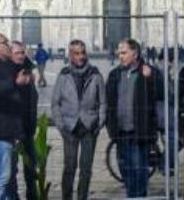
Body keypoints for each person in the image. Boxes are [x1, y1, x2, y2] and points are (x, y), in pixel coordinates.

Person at [105, 38, 161, 198]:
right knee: (126, 173)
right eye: (119, 53)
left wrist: (151, 78)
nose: (120, 56)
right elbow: (109, 102)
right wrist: (111, 126)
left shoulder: (148, 72)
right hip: (120, 133)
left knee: (139, 174)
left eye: (124, 53)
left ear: (135, 54)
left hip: (139, 133)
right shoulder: (115, 74)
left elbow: (164, 92)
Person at [50, 39, 105, 200]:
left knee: (86, 169)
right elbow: (55, 103)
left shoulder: (95, 74)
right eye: (76, 53)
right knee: (70, 167)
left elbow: (103, 102)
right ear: (70, 55)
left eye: (83, 53)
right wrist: (61, 126)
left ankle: (82, 197)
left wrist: (99, 122)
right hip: (69, 127)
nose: (81, 57)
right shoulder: (63, 75)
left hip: (89, 127)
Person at [0, 34, 31, 200]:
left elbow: (25, 65)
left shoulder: (7, 65)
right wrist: (15, 83)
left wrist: (23, 55)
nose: (7, 45)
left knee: (7, 177)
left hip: (10, 130)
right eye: (4, 43)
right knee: (3, 176)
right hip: (0, 131)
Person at [11, 41, 40, 200]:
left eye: (22, 52)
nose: (21, 55)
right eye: (17, 53)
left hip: (28, 128)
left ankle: (32, 195)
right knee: (11, 169)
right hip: (14, 130)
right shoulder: (7, 73)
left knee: (31, 167)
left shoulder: (27, 71)